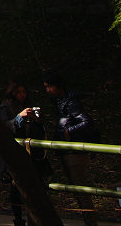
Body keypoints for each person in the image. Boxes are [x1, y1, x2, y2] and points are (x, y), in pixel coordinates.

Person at [42, 71, 99, 226]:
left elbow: (86, 121)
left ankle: (91, 222)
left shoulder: (71, 103)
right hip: (66, 151)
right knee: (77, 189)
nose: (48, 90)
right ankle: (88, 220)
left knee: (80, 189)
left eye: (49, 87)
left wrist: (70, 131)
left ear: (57, 86)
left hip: (74, 153)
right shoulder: (60, 102)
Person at [0, 80, 49, 226]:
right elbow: (4, 127)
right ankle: (18, 219)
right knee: (16, 188)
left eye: (24, 92)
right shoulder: (5, 107)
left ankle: (34, 218)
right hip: (15, 152)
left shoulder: (28, 105)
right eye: (18, 92)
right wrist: (19, 118)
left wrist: (36, 120)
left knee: (35, 187)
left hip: (32, 152)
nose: (22, 95)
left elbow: (39, 129)